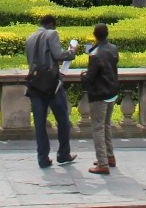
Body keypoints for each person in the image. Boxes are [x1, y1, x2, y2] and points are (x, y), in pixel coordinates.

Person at [24, 13, 77, 168]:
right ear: (51, 25)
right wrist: (72, 51)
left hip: (34, 84)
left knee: (39, 123)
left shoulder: (30, 37)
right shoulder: (52, 33)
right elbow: (58, 54)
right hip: (51, 84)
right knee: (63, 120)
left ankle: (43, 158)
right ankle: (63, 153)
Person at [82, 21, 120, 175]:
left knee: (98, 128)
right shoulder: (113, 49)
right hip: (112, 92)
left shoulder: (95, 54)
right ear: (107, 34)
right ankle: (109, 157)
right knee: (106, 125)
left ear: (94, 35)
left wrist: (83, 76)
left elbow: (90, 77)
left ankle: (103, 163)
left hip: (99, 94)